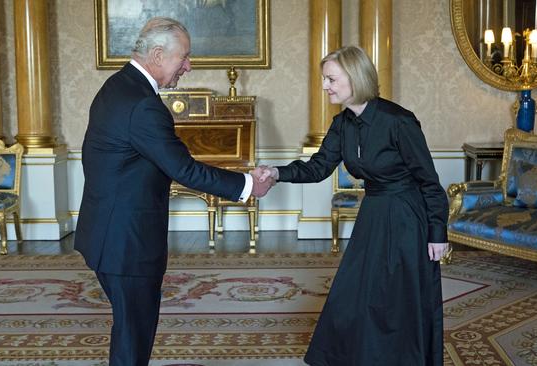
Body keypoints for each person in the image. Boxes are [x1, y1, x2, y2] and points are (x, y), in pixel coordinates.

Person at [74, 17, 273, 366]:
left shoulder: (117, 86)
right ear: (157, 54)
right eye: (184, 57)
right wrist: (248, 185)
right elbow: (185, 169)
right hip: (126, 243)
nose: (188, 66)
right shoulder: (143, 105)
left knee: (129, 331)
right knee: (133, 339)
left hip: (106, 232)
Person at [253, 46, 449, 365]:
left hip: (405, 216)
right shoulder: (341, 123)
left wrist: (437, 232)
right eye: (324, 79)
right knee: (356, 294)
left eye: (331, 79)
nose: (325, 86)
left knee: (397, 298)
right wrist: (276, 172)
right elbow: (317, 167)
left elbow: (429, 180)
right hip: (373, 212)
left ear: (355, 78)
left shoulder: (398, 121)